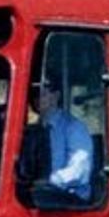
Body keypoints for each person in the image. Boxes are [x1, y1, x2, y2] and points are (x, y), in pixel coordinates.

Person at [33, 74, 93, 203]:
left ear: (56, 96)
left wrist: (50, 181)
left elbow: (79, 171)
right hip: (41, 196)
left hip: (70, 201)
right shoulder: (34, 130)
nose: (37, 99)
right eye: (35, 94)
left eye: (42, 93)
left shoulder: (74, 127)